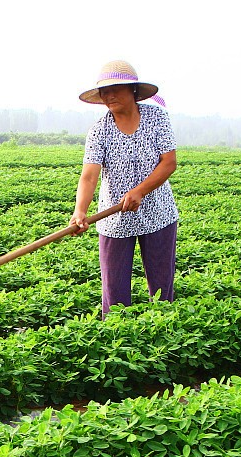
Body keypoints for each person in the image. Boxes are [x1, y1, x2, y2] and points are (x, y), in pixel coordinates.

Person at [70, 59, 179, 316]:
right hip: (114, 219)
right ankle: (117, 339)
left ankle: (161, 335)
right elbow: (89, 176)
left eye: (115, 89)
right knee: (115, 296)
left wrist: (140, 190)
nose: (109, 96)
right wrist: (80, 211)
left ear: (132, 90)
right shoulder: (99, 130)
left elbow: (169, 162)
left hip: (158, 213)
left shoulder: (156, 118)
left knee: (162, 292)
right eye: (104, 91)